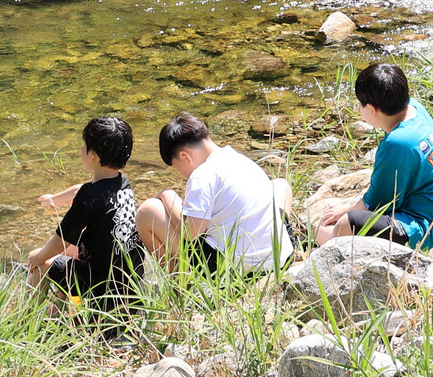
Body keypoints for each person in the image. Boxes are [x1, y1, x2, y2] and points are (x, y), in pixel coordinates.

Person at [316, 62, 433, 249]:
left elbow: (377, 204)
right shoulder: (415, 109)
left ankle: (319, 240)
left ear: (372, 109)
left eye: (360, 104)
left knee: (344, 224)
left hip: (425, 231)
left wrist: (345, 210)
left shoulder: (398, 143)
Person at [138, 112, 293, 272]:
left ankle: (179, 287)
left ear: (185, 156)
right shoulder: (237, 158)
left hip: (241, 270)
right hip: (282, 256)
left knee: (148, 210)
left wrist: (167, 196)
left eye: (176, 167)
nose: (181, 173)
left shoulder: (202, 175)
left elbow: (191, 233)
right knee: (279, 185)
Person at [27, 115, 145, 313]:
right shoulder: (122, 183)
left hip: (102, 287)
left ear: (93, 155)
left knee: (40, 261)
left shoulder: (88, 197)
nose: (82, 150)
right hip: (128, 283)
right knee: (72, 254)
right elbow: (82, 191)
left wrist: (37, 258)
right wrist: (54, 200)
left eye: (85, 145)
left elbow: (60, 242)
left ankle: (27, 322)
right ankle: (57, 313)